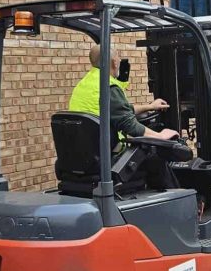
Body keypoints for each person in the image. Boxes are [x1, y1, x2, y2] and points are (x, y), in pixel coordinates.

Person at [69, 45, 180, 188]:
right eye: (118, 57)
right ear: (115, 62)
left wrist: (150, 106)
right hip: (109, 159)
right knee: (155, 159)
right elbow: (130, 125)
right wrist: (161, 136)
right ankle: (181, 205)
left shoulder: (85, 84)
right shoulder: (108, 86)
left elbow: (117, 111)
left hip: (86, 158)